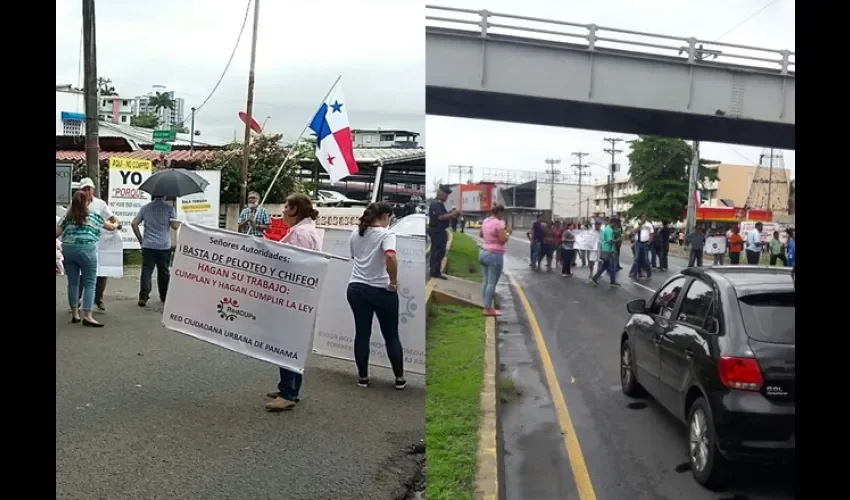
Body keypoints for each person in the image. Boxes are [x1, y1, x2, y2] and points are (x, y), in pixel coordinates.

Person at [266, 194, 323, 412]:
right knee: (290, 342)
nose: (282, 211)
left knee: (288, 343)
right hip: (297, 295)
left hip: (295, 295)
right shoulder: (302, 230)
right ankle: (288, 388)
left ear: (295, 210)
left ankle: (288, 393)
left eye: (286, 207)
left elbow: (295, 265)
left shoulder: (301, 233)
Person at [346, 201, 406, 390]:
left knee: (362, 333)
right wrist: (393, 282)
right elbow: (390, 256)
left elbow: (355, 257)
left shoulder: (355, 233)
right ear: (385, 216)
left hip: (356, 287)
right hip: (381, 289)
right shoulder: (387, 234)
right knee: (391, 335)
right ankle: (399, 378)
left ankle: (363, 377)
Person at [57, 191, 118, 327]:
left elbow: (56, 233)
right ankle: (88, 316)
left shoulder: (67, 217)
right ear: (86, 202)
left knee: (73, 283)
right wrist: (116, 225)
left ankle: (75, 314)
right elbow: (110, 227)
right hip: (87, 250)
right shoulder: (94, 216)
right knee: (90, 283)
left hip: (69, 250)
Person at [77, 177, 122, 311]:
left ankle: (99, 298)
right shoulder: (77, 204)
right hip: (84, 240)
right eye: (84, 189)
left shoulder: (100, 204)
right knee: (82, 271)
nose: (87, 192)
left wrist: (117, 224)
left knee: (102, 270)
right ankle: (77, 298)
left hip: (101, 240)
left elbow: (111, 218)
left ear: (93, 190)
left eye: (89, 189)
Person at [131, 196, 180, 307]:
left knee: (147, 271)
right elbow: (175, 226)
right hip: (164, 246)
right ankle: (164, 296)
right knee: (164, 272)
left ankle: (143, 297)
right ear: (164, 196)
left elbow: (134, 223)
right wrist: (176, 220)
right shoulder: (169, 209)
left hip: (148, 245)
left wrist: (141, 240)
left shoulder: (145, 208)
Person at [479, 204, 510, 316]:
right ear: (499, 212)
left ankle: (485, 305)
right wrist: (508, 233)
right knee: (492, 282)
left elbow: (481, 234)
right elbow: (502, 240)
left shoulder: (485, 221)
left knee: (486, 281)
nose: (502, 216)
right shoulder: (498, 223)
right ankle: (487, 309)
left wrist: (490, 239)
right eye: (502, 213)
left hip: (484, 252)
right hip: (494, 255)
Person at [428, 186, 460, 279]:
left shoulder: (439, 204)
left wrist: (451, 213)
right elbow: (441, 217)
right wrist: (453, 214)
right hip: (437, 231)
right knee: (438, 251)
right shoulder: (437, 204)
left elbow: (443, 214)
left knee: (437, 251)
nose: (446, 197)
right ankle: (435, 272)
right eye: (446, 195)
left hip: (438, 230)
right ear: (440, 194)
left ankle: (435, 271)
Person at [590, 217, 621, 287]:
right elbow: (610, 241)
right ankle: (612, 282)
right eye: (616, 224)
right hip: (608, 250)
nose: (616, 225)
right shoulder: (609, 230)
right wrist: (618, 240)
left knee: (605, 266)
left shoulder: (607, 228)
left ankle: (594, 279)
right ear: (614, 223)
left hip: (605, 250)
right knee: (612, 267)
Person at [629, 214, 653, 279]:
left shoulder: (649, 225)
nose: (643, 218)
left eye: (644, 217)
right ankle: (634, 273)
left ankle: (648, 273)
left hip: (645, 243)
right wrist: (640, 225)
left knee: (646, 259)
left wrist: (650, 241)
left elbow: (651, 233)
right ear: (640, 218)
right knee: (637, 258)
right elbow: (633, 231)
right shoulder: (637, 224)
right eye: (642, 217)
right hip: (638, 243)